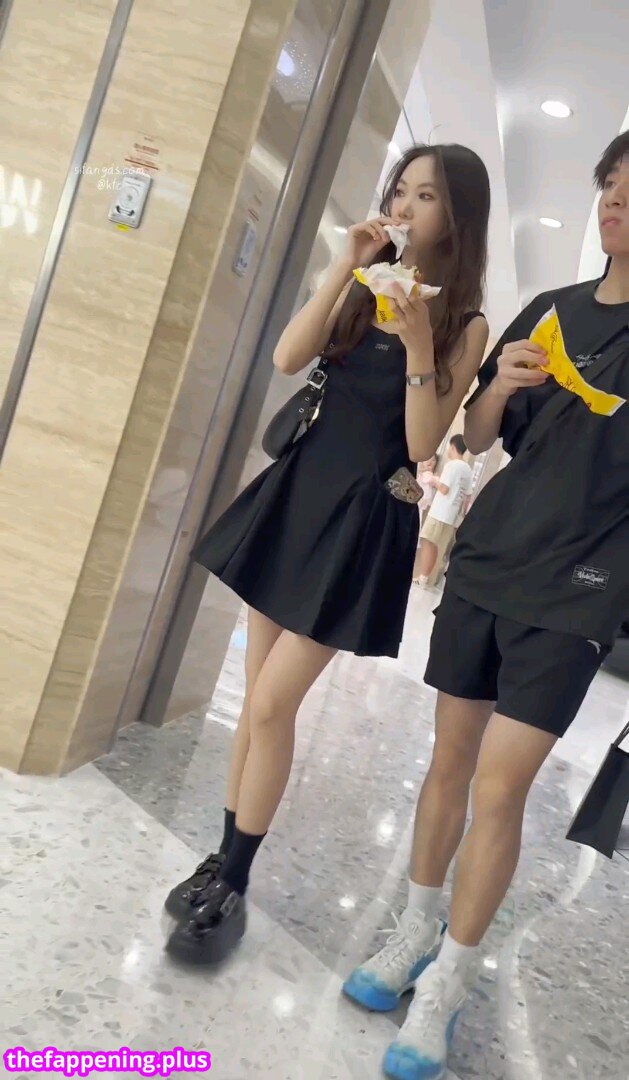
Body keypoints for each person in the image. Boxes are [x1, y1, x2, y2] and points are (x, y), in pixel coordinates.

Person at [343, 130, 629, 1080]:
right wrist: (500, 387)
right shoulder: (550, 311)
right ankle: (413, 930)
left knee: (500, 791)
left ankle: (449, 983)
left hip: (581, 587)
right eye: (610, 184)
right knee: (447, 766)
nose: (614, 201)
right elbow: (472, 437)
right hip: (491, 560)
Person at [164, 143, 491, 965]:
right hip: (299, 495)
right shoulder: (362, 282)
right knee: (254, 700)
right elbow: (286, 358)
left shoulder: (464, 323)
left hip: (359, 522)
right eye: (400, 190)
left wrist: (417, 343)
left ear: (458, 216)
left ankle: (235, 878)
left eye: (425, 196)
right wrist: (346, 265)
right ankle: (222, 857)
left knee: (272, 707)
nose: (404, 207)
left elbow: (420, 443)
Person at [414, 434, 473, 586]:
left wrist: (434, 480)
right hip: (451, 516)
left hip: (439, 512)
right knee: (435, 546)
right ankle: (425, 578)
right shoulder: (467, 469)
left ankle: (423, 577)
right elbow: (467, 496)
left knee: (427, 542)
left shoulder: (451, 465)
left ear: (452, 447)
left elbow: (444, 489)